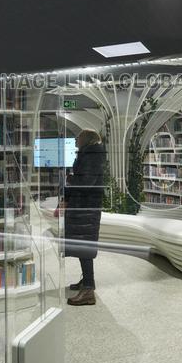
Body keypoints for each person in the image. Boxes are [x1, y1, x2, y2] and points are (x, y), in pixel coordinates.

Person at [60, 129, 106, 307]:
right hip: (83, 207)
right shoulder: (89, 155)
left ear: (86, 139)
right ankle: (87, 281)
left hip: (86, 207)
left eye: (77, 138)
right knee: (82, 246)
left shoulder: (91, 156)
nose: (75, 140)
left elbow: (86, 182)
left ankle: (88, 290)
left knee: (84, 247)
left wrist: (70, 179)